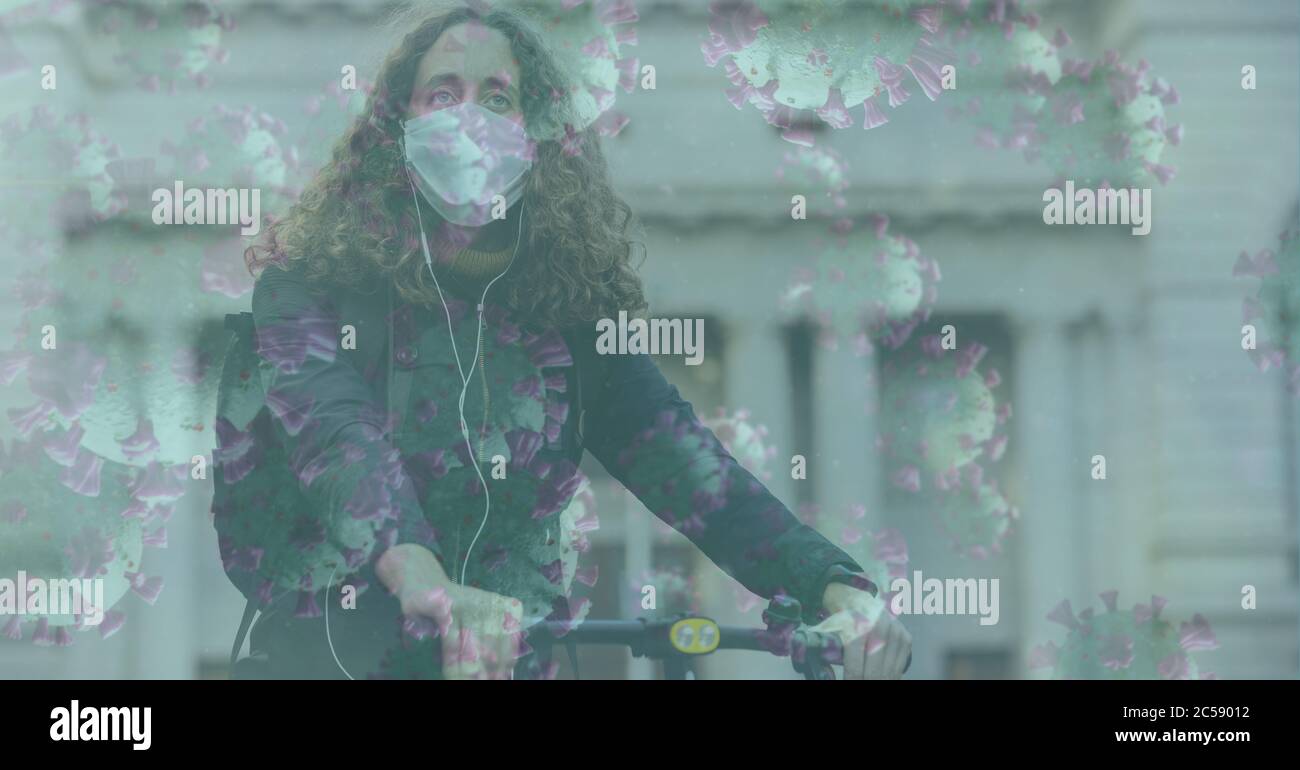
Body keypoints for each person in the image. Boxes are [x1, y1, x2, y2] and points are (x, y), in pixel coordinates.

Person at [220, 1, 911, 680]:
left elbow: (690, 466)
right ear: (396, 123)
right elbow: (339, 440)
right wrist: (421, 578)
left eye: (498, 98)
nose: (469, 117)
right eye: (442, 93)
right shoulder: (306, 283)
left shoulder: (568, 312)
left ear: (535, 134)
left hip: (507, 660)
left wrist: (834, 583)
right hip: (328, 658)